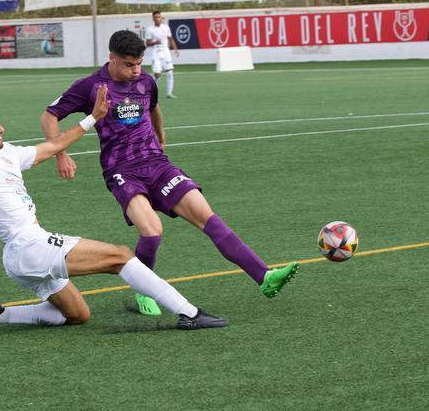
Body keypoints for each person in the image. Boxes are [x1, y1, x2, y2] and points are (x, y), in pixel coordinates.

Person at [0, 86, 227, 334]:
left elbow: (54, 145)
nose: (1, 129)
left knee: (77, 315)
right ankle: (189, 313)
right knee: (119, 256)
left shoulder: (9, 153)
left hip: (25, 254)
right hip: (27, 247)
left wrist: (93, 119)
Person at [41, 30, 298, 316]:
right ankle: (143, 289)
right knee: (151, 232)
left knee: (208, 218)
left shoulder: (146, 81)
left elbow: (153, 107)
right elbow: (50, 115)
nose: (135, 70)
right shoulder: (91, 86)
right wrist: (60, 153)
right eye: (128, 64)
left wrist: (161, 136)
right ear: (111, 58)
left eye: (139, 63)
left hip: (158, 164)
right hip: (122, 171)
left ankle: (264, 276)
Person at [145, 11, 180, 98]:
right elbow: (147, 43)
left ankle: (169, 93)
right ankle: (150, 89)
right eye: (155, 17)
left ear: (161, 18)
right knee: (157, 74)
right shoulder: (150, 29)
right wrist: (155, 42)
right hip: (156, 52)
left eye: (159, 17)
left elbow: (170, 38)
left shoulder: (166, 28)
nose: (157, 18)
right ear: (153, 19)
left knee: (170, 72)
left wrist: (175, 49)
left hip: (165, 51)